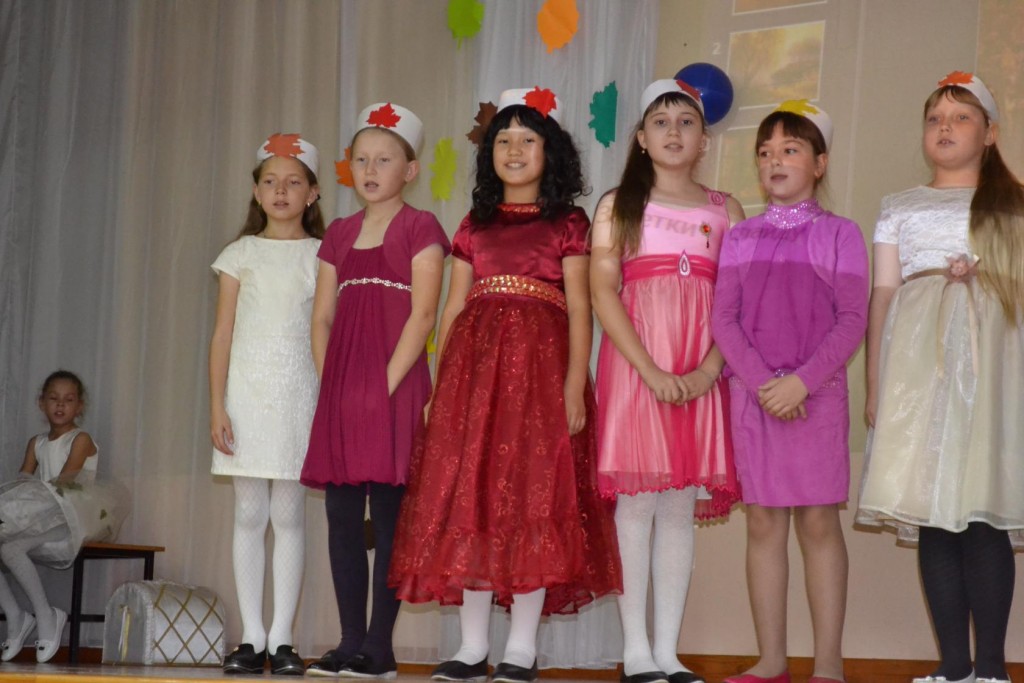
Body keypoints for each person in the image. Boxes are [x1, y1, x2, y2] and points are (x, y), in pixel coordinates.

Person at [388, 87, 621, 683]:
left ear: (551, 152)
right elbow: (452, 308)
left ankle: (520, 647)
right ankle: (471, 648)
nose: (514, 150)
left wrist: (574, 383)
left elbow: (580, 309)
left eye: (528, 139)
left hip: (541, 379)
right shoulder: (475, 224)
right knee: (473, 499)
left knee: (534, 499)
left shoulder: (568, 222)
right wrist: (440, 388)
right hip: (475, 380)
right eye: (504, 140)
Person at [857, 72, 1023, 683]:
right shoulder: (899, 206)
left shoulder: (1013, 204)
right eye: (935, 119)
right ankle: (954, 666)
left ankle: (992, 669)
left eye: (961, 117)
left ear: (989, 133)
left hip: (990, 377)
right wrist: (876, 383)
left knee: (980, 513)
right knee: (931, 512)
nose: (945, 127)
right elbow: (883, 295)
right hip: (917, 375)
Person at [590, 79, 744, 683]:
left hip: (701, 372)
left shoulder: (725, 209)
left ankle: (668, 653)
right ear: (640, 139)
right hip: (637, 369)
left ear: (704, 140)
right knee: (636, 507)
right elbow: (604, 292)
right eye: (660, 122)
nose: (673, 131)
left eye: (686, 122)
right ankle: (635, 651)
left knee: (678, 508)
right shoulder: (616, 205)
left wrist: (709, 368)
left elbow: (735, 301)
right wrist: (650, 370)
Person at [711, 101, 869, 683]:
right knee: (762, 524)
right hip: (755, 399)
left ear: (820, 163)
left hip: (817, 396)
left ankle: (828, 665)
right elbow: (723, 320)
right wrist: (764, 384)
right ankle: (772, 660)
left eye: (790, 149)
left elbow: (852, 319)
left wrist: (801, 381)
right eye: (765, 151)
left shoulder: (841, 234)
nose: (774, 160)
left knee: (820, 523)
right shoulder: (740, 237)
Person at [301, 103, 450, 679]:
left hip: (395, 386)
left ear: (409, 171)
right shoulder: (338, 234)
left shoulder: (421, 227)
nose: (370, 169)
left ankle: (379, 649)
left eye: (384, 160)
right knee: (341, 518)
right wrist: (333, 385)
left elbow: (424, 314)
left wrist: (382, 389)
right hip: (343, 389)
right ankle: (348, 641)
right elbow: (321, 318)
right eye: (361, 160)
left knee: (389, 520)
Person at [209, 134, 324, 676]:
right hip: (247, 397)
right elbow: (222, 335)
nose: (281, 191)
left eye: (293, 182)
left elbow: (325, 329)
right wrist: (217, 406)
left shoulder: (322, 255)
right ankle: (251, 637)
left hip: (301, 396)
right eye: (271, 182)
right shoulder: (240, 254)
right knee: (250, 513)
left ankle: (283, 640)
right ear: (256, 192)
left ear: (312, 193)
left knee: (290, 515)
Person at [0, 371, 100, 663]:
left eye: (68, 400)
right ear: (41, 403)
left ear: (79, 406)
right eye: (53, 398)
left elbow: (64, 482)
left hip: (70, 516)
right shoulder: (36, 442)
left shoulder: (80, 439)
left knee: (10, 547)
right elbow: (23, 481)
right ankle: (16, 615)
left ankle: (46, 615)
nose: (60, 405)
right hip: (42, 514)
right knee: (5, 544)